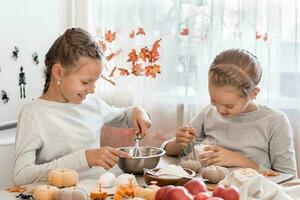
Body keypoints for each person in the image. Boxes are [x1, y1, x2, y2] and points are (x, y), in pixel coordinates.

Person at [12, 28, 151, 185]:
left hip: (98, 192)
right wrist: (85, 158)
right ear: (58, 72)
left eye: (94, 82)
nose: (92, 90)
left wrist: (137, 111)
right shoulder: (33, 114)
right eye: (85, 82)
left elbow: (124, 116)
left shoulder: (91, 103)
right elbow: (21, 176)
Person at [163, 49, 297, 176]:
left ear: (253, 94)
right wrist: (178, 143)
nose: (220, 110)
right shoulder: (208, 113)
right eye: (213, 100)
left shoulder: (275, 121)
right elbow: (169, 151)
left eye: (229, 106)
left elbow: (288, 178)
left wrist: (240, 160)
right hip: (209, 190)